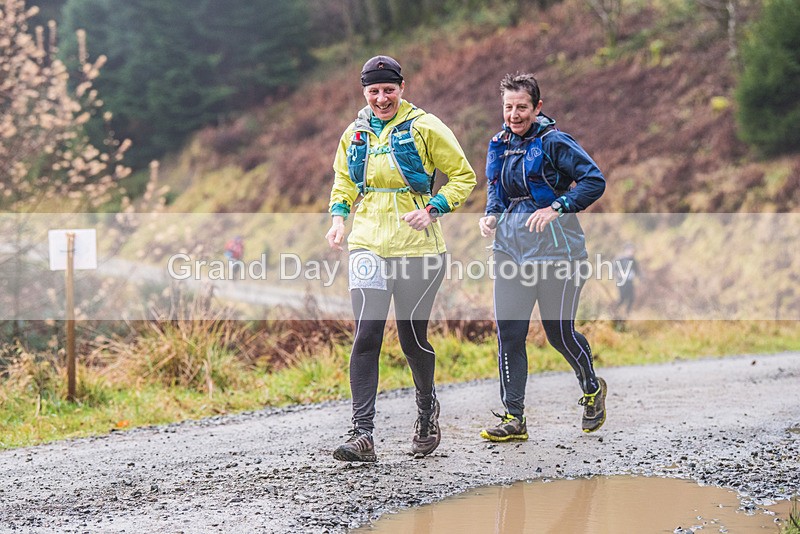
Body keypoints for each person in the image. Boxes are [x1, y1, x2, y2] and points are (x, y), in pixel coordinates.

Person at [326, 55, 476, 462]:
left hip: (418, 248)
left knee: (411, 339)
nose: (381, 98)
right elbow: (344, 181)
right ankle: (362, 434)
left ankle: (426, 411)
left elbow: (464, 176)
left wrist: (433, 208)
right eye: (373, 91)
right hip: (367, 244)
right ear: (364, 92)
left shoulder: (426, 127)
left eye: (388, 90)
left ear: (402, 88)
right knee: (367, 334)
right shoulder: (354, 133)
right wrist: (339, 219)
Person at [478, 73, 607, 441]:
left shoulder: (555, 142)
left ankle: (592, 389)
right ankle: (514, 418)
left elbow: (594, 181)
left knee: (558, 333)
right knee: (509, 333)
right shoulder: (498, 144)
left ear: (537, 107)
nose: (514, 115)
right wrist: (491, 215)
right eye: (508, 107)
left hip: (558, 253)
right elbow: (496, 190)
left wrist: (557, 207)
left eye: (522, 107)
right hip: (510, 251)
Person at [613, 242, 639, 316]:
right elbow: (614, 268)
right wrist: (618, 274)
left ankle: (628, 313)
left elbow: (637, 270)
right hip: (621, 282)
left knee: (631, 298)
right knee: (622, 298)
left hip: (630, 281)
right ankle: (614, 311)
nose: (631, 252)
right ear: (626, 250)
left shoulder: (633, 260)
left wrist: (641, 277)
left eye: (632, 250)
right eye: (630, 250)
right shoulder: (620, 259)